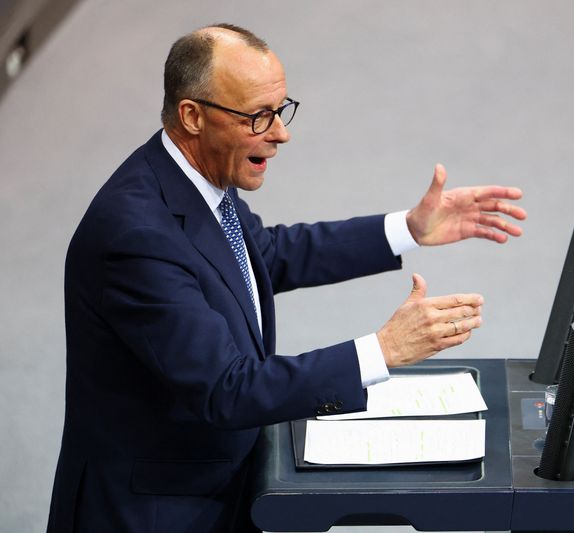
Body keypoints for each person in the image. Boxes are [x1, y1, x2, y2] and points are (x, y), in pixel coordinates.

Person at [46, 23, 526, 533]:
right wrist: (380, 351)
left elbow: (262, 255)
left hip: (221, 480)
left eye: (280, 110)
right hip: (156, 511)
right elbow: (226, 389)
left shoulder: (196, 180)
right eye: (258, 117)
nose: (280, 132)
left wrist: (405, 229)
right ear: (192, 116)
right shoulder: (136, 236)